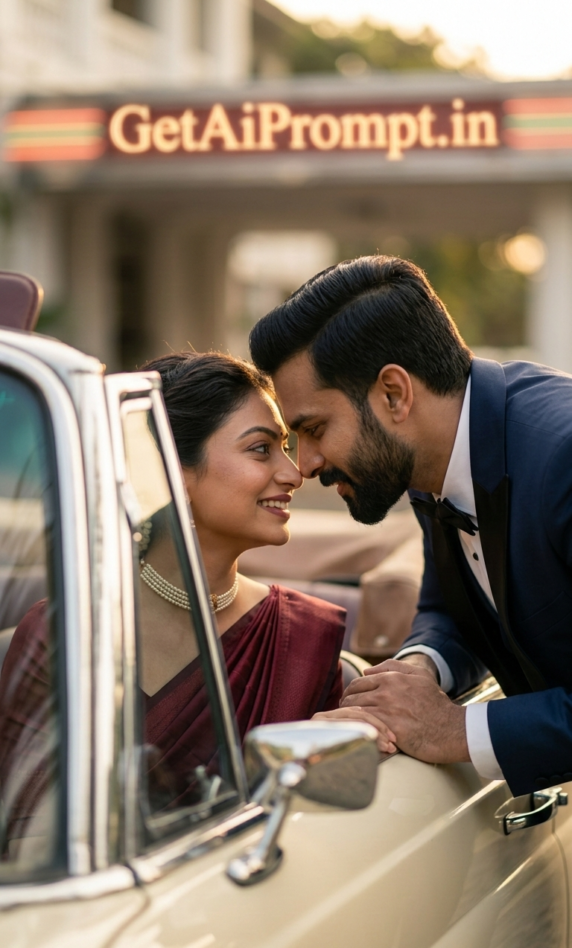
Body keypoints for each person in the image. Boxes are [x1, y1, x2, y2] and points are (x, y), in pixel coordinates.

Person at [0, 352, 390, 826]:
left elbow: (317, 827)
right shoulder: (66, 634)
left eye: (284, 448)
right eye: (261, 449)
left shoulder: (302, 637)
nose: (294, 474)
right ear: (170, 474)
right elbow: (28, 831)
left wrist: (318, 751)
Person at [250, 254, 572, 798]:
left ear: (394, 394)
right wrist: (415, 673)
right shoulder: (434, 456)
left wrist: (453, 730)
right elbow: (451, 608)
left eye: (315, 428)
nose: (305, 464)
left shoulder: (563, 456)